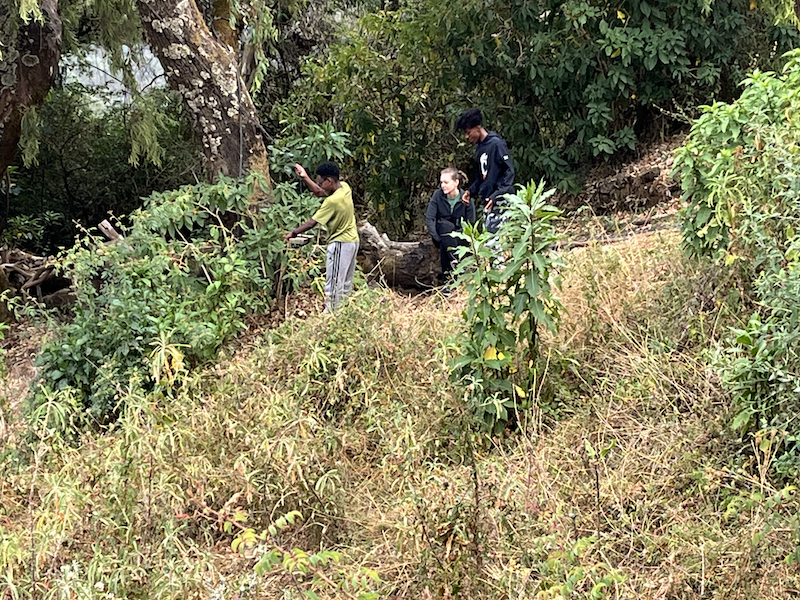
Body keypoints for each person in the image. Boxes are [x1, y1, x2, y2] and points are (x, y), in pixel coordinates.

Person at [285, 161, 359, 312]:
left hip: (340, 244)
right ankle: (344, 313)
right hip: (352, 241)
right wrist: (305, 177)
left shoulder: (332, 201)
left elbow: (312, 223)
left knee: (333, 284)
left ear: (329, 181)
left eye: (320, 181)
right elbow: (319, 192)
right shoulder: (344, 187)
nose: (319, 184)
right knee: (345, 284)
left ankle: (330, 315)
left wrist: (293, 233)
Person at [455, 108, 515, 234]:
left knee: (496, 243)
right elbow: (482, 178)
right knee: (490, 240)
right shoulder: (479, 150)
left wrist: (497, 195)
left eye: (468, 132)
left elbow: (508, 172)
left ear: (478, 127)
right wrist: (470, 192)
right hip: (488, 202)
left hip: (501, 202)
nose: (467, 137)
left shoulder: (496, 144)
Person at [425, 167, 476, 284]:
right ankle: (455, 265)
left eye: (446, 182)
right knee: (444, 226)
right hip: (441, 234)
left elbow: (470, 222)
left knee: (445, 243)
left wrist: (458, 236)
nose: (443, 185)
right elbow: (430, 218)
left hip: (460, 237)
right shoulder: (437, 195)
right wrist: (436, 237)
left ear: (456, 182)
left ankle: (448, 280)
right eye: (441, 182)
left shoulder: (466, 198)